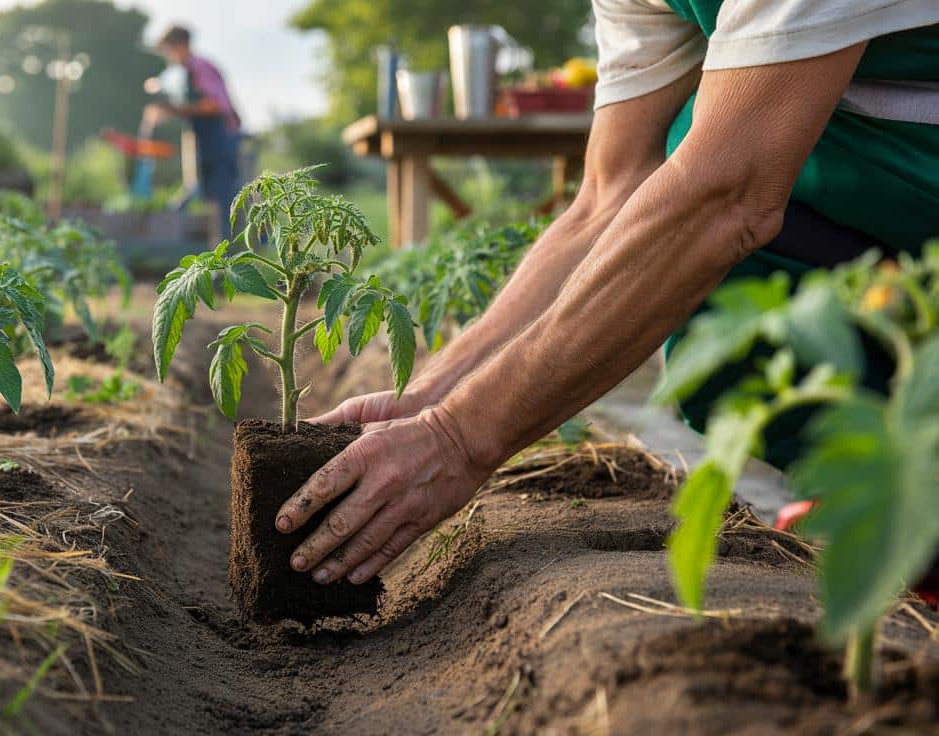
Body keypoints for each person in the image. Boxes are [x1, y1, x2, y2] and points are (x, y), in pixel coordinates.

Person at [275, 2, 939, 592]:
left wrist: (459, 440)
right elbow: (608, 196)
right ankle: (886, 495)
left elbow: (728, 195)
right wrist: (433, 395)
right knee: (699, 252)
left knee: (704, 184)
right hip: (886, 212)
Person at [145, 25, 243, 243]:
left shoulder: (200, 67)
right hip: (209, 140)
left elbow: (213, 105)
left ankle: (228, 255)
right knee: (208, 194)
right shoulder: (187, 72)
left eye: (168, 51)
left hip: (220, 139)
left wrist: (172, 109)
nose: (168, 57)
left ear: (179, 46)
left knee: (224, 200)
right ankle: (220, 249)